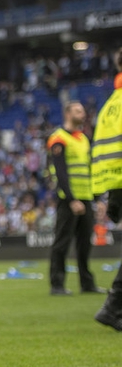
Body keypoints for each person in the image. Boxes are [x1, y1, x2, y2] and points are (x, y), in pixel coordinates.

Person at [46, 101, 104, 296]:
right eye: (78, 110)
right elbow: (60, 172)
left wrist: (97, 198)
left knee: (85, 243)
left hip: (86, 197)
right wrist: (72, 199)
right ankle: (57, 284)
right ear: (67, 113)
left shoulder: (84, 139)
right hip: (68, 199)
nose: (83, 113)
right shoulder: (58, 138)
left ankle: (87, 283)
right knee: (62, 242)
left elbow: (90, 169)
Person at [90, 48, 122, 328]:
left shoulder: (110, 104)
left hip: (115, 184)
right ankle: (112, 308)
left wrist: (110, 194)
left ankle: (112, 309)